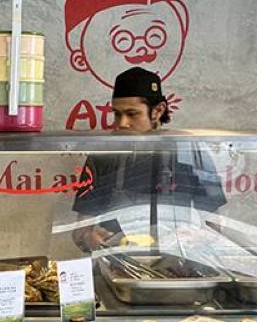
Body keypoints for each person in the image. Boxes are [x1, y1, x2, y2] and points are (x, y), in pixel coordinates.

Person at [71, 66, 225, 253]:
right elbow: (80, 232)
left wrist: (196, 237)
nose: (122, 123)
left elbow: (215, 230)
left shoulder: (191, 153)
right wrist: (91, 238)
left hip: (179, 268)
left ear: (158, 111)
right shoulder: (104, 157)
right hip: (118, 267)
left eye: (132, 114)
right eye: (117, 114)